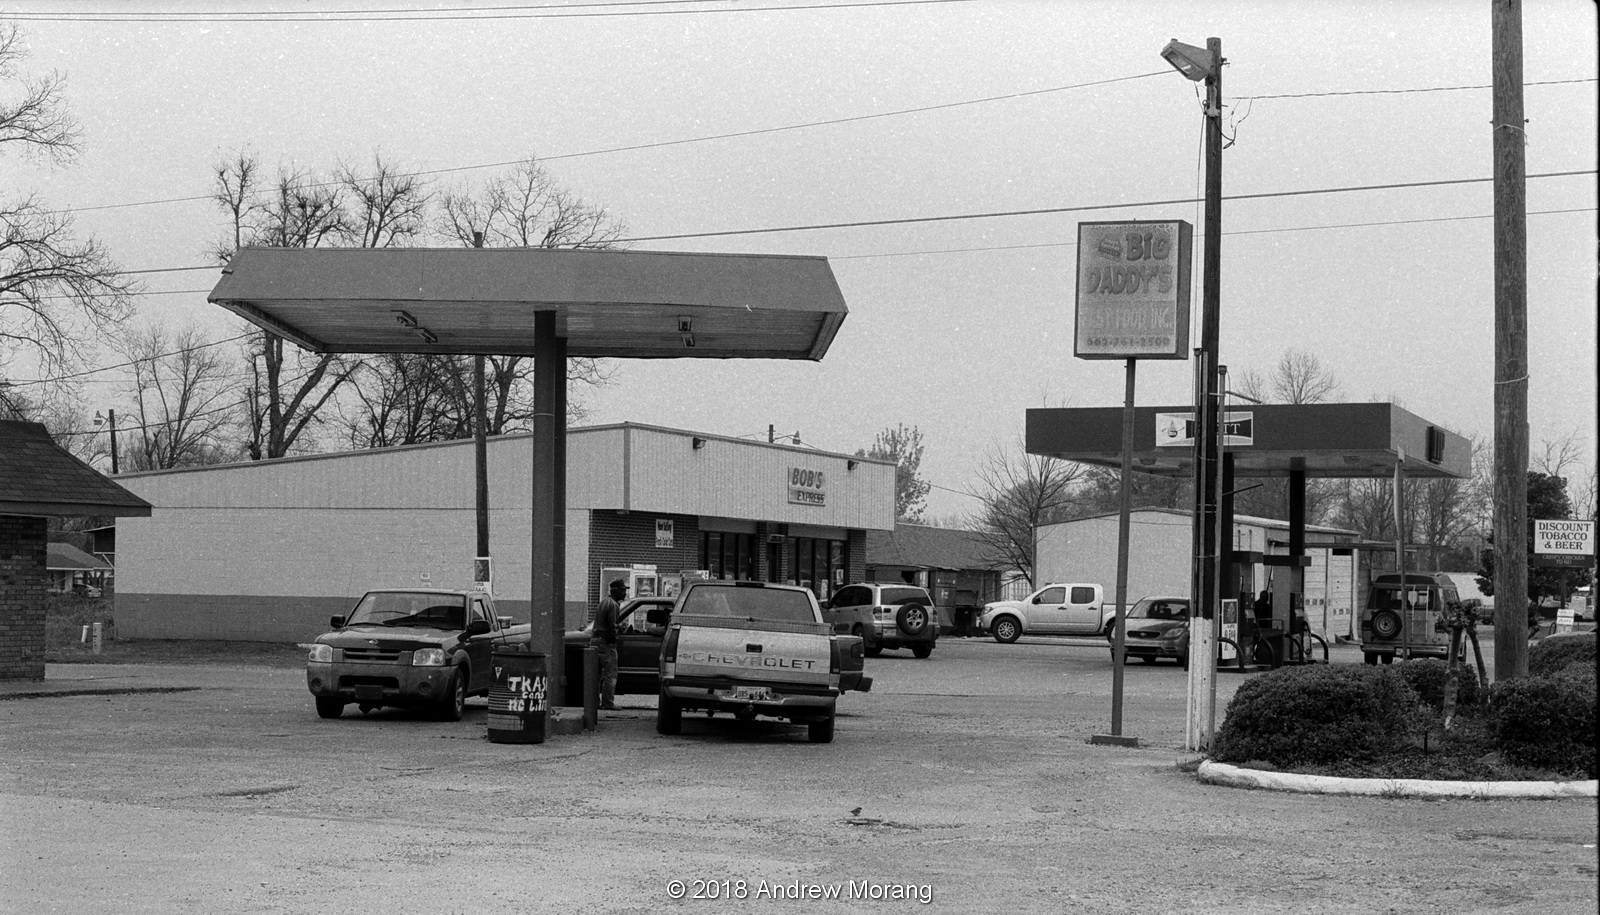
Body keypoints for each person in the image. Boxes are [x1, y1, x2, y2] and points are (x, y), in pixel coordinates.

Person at [593, 578, 626, 710]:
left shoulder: (604, 601)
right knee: (610, 674)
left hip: (595, 640)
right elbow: (612, 626)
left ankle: (594, 703)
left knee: (596, 675)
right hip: (606, 642)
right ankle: (608, 703)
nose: (624, 593)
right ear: (615, 591)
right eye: (622, 590)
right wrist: (619, 630)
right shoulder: (613, 605)